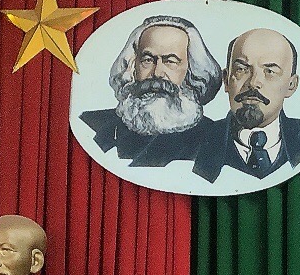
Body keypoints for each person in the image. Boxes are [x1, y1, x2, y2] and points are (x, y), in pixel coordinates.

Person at [79, 15, 222, 166]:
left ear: (192, 71)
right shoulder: (92, 126)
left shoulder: (214, 139)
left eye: (170, 61)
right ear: (133, 66)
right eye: (148, 60)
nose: (157, 73)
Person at [193, 28, 300, 183]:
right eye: (242, 69)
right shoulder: (195, 144)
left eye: (269, 71)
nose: (253, 82)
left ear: (291, 85)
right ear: (226, 80)